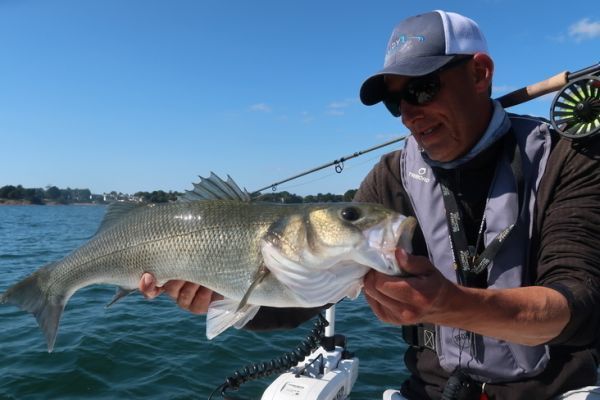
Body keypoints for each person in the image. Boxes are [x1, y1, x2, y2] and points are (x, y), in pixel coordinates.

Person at [139, 10, 600, 400]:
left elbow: (581, 304)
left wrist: (449, 304)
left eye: (422, 89)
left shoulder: (568, 159)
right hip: (430, 389)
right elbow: (310, 294)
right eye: (394, 101)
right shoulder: (391, 176)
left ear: (480, 73)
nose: (409, 113)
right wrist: (226, 294)